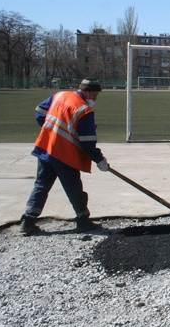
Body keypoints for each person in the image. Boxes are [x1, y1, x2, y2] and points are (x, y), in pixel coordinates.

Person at [20, 79, 109, 235]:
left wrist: (52, 131)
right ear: (86, 92)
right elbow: (87, 142)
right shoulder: (84, 110)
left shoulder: (59, 96)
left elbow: (40, 112)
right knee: (73, 187)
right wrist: (100, 160)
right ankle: (83, 220)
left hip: (46, 148)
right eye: (94, 95)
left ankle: (28, 220)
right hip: (64, 154)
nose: (94, 99)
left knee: (41, 185)